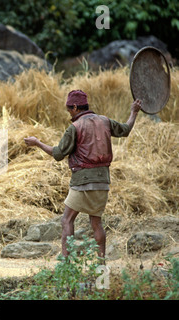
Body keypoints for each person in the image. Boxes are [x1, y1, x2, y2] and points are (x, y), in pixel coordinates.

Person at [24, 90, 142, 259]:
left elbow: (58, 154)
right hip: (103, 181)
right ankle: (101, 266)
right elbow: (125, 130)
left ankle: (67, 264)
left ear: (74, 107)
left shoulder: (75, 127)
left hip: (82, 182)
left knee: (67, 220)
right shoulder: (105, 121)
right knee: (96, 223)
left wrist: (37, 143)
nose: (69, 114)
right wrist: (134, 112)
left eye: (69, 110)